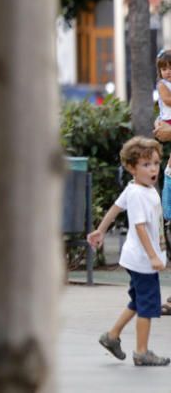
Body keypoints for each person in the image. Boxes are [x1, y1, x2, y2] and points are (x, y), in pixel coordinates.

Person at [88, 136, 170, 366]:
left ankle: (111, 336)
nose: (153, 168)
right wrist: (153, 255)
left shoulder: (137, 188)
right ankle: (141, 352)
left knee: (137, 301)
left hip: (137, 259)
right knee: (148, 305)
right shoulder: (138, 194)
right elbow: (140, 226)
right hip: (143, 260)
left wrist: (100, 230)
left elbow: (115, 207)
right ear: (131, 168)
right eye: (146, 165)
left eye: (155, 163)